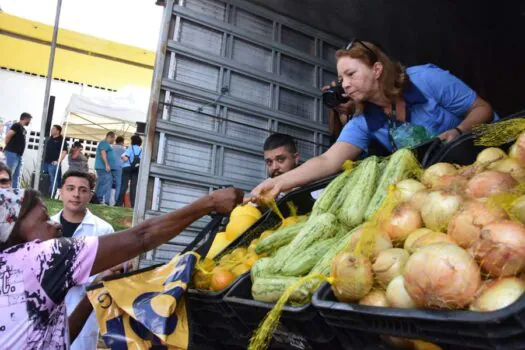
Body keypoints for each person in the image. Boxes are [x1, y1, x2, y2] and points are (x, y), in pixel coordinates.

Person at [0, 185, 243, 348]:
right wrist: (210, 202)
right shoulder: (38, 258)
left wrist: (90, 297)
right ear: (13, 226)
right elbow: (142, 237)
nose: (56, 224)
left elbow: (57, 341)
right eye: (44, 217)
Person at [251, 40, 497, 201]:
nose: (344, 84)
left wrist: (458, 130)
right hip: (446, 187)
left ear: (377, 70)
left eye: (351, 74)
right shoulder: (363, 122)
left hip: (491, 159)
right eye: (341, 77)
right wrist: (279, 182)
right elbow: (328, 161)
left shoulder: (426, 79)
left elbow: (482, 109)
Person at [50, 170, 114, 350]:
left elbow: (109, 271)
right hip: (47, 309)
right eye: (70, 188)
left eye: (83, 190)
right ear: (61, 191)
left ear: (90, 195)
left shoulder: (103, 230)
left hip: (83, 307)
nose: (76, 194)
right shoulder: (46, 226)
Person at [4, 112, 32, 188]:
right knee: (9, 174)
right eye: (29, 120)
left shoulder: (23, 128)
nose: (30, 122)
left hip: (19, 155)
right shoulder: (16, 125)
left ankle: (16, 193)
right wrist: (8, 146)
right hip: (12, 153)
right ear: (25, 118)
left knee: (17, 175)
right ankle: (3, 192)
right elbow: (8, 136)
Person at [117, 134, 142, 207]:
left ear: (132, 141)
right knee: (133, 187)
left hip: (127, 168)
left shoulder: (130, 148)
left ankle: (119, 203)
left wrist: (122, 157)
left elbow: (126, 158)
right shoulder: (141, 150)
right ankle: (133, 205)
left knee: (123, 186)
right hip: (136, 169)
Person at [44, 125, 68, 198]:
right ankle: (44, 193)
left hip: (53, 163)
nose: (51, 130)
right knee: (45, 178)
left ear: (58, 131)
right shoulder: (49, 139)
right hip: (45, 162)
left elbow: (64, 152)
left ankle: (51, 195)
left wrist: (58, 161)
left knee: (53, 179)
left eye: (53, 129)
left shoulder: (62, 140)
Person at [94, 132, 116, 204]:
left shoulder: (104, 144)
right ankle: (99, 199)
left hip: (102, 167)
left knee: (101, 182)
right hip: (103, 167)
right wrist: (107, 164)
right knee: (105, 182)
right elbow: (103, 153)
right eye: (113, 139)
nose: (113, 141)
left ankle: (97, 199)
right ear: (110, 137)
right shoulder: (104, 143)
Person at [111, 136, 126, 206]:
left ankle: (106, 201)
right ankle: (117, 202)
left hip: (110, 167)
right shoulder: (122, 149)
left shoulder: (111, 147)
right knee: (118, 185)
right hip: (119, 167)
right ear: (122, 142)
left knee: (108, 184)